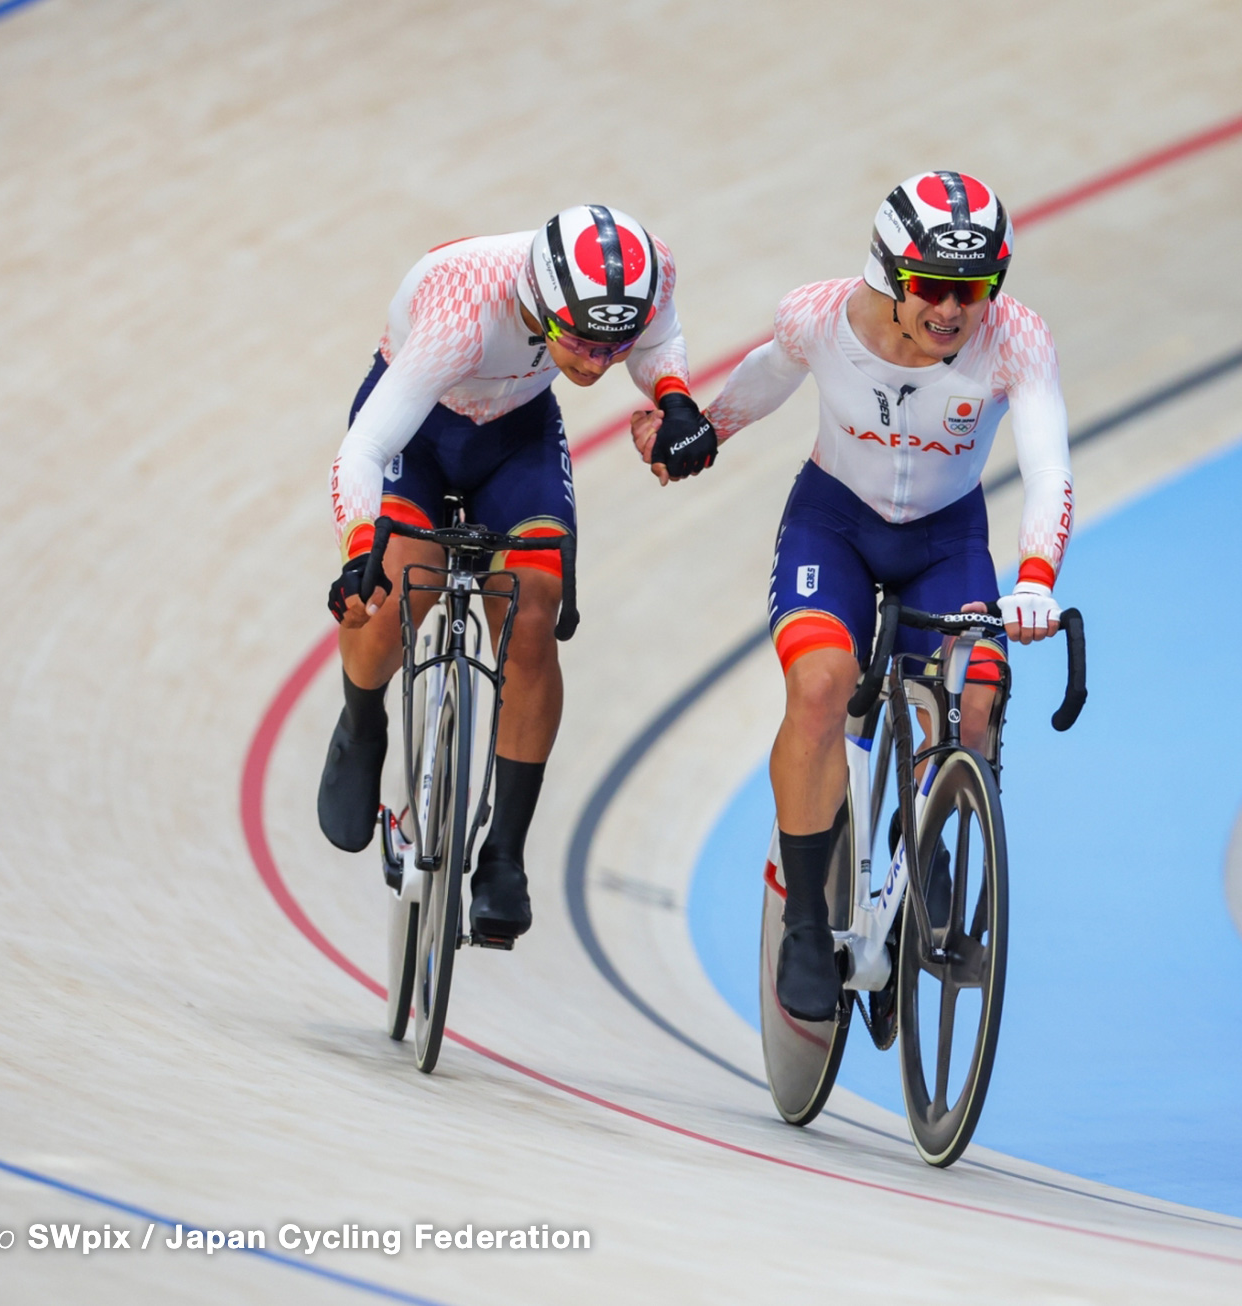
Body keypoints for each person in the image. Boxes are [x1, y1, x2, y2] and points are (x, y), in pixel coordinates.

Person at [632, 171, 1072, 1019]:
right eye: (935, 287)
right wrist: (703, 432)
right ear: (890, 273)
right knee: (822, 685)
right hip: (833, 526)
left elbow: (1050, 461)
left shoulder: (1016, 339)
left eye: (975, 288)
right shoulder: (820, 316)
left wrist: (1036, 579)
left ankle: (931, 845)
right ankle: (803, 920)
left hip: (947, 539)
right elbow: (767, 377)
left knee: (976, 698)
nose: (954, 310)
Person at [321, 205, 717, 944]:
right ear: (541, 302)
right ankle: (362, 724)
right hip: (421, 429)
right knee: (399, 590)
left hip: (519, 433)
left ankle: (503, 855)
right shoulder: (462, 311)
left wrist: (674, 397)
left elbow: (659, 341)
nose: (599, 365)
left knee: (531, 615)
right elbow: (364, 451)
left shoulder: (647, 272)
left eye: (612, 346)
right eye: (585, 344)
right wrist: (357, 544)